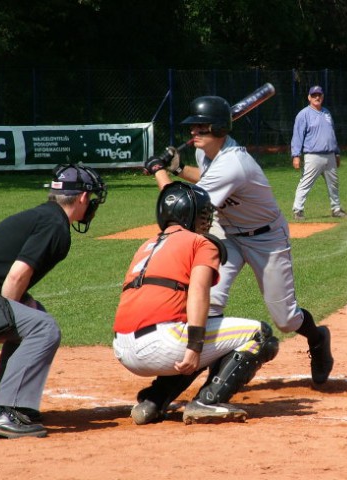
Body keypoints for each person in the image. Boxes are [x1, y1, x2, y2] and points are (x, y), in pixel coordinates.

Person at [142, 95, 334, 387]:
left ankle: (318, 338)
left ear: (219, 130)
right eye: (192, 128)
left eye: (200, 128)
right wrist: (179, 169)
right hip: (228, 233)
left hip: (265, 237)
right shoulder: (208, 154)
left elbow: (183, 205)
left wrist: (160, 171)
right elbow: (205, 179)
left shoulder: (234, 163)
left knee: (285, 319)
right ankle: (209, 372)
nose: (193, 133)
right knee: (210, 300)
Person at [0, 163, 107, 439]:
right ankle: (3, 411)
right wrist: (4, 319)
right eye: (93, 198)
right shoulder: (55, 224)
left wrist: (18, 309)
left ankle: (11, 404)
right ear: (83, 197)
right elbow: (16, 276)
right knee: (44, 327)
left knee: (35, 314)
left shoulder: (45, 216)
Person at [113, 182, 279, 425]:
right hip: (162, 344)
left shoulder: (147, 245)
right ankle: (206, 402)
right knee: (261, 335)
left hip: (122, 348)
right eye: (203, 214)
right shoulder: (200, 242)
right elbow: (199, 292)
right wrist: (194, 346)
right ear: (189, 214)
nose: (206, 221)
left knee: (206, 335)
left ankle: (153, 402)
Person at [290, 85, 347, 221]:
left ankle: (336, 209)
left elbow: (331, 134)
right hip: (313, 156)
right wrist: (296, 155)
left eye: (319, 95)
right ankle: (298, 210)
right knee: (305, 183)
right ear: (309, 97)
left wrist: (337, 153)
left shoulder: (326, 113)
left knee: (334, 183)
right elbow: (297, 135)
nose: (317, 97)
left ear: (322, 97)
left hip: (330, 155)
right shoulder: (303, 114)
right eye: (314, 95)